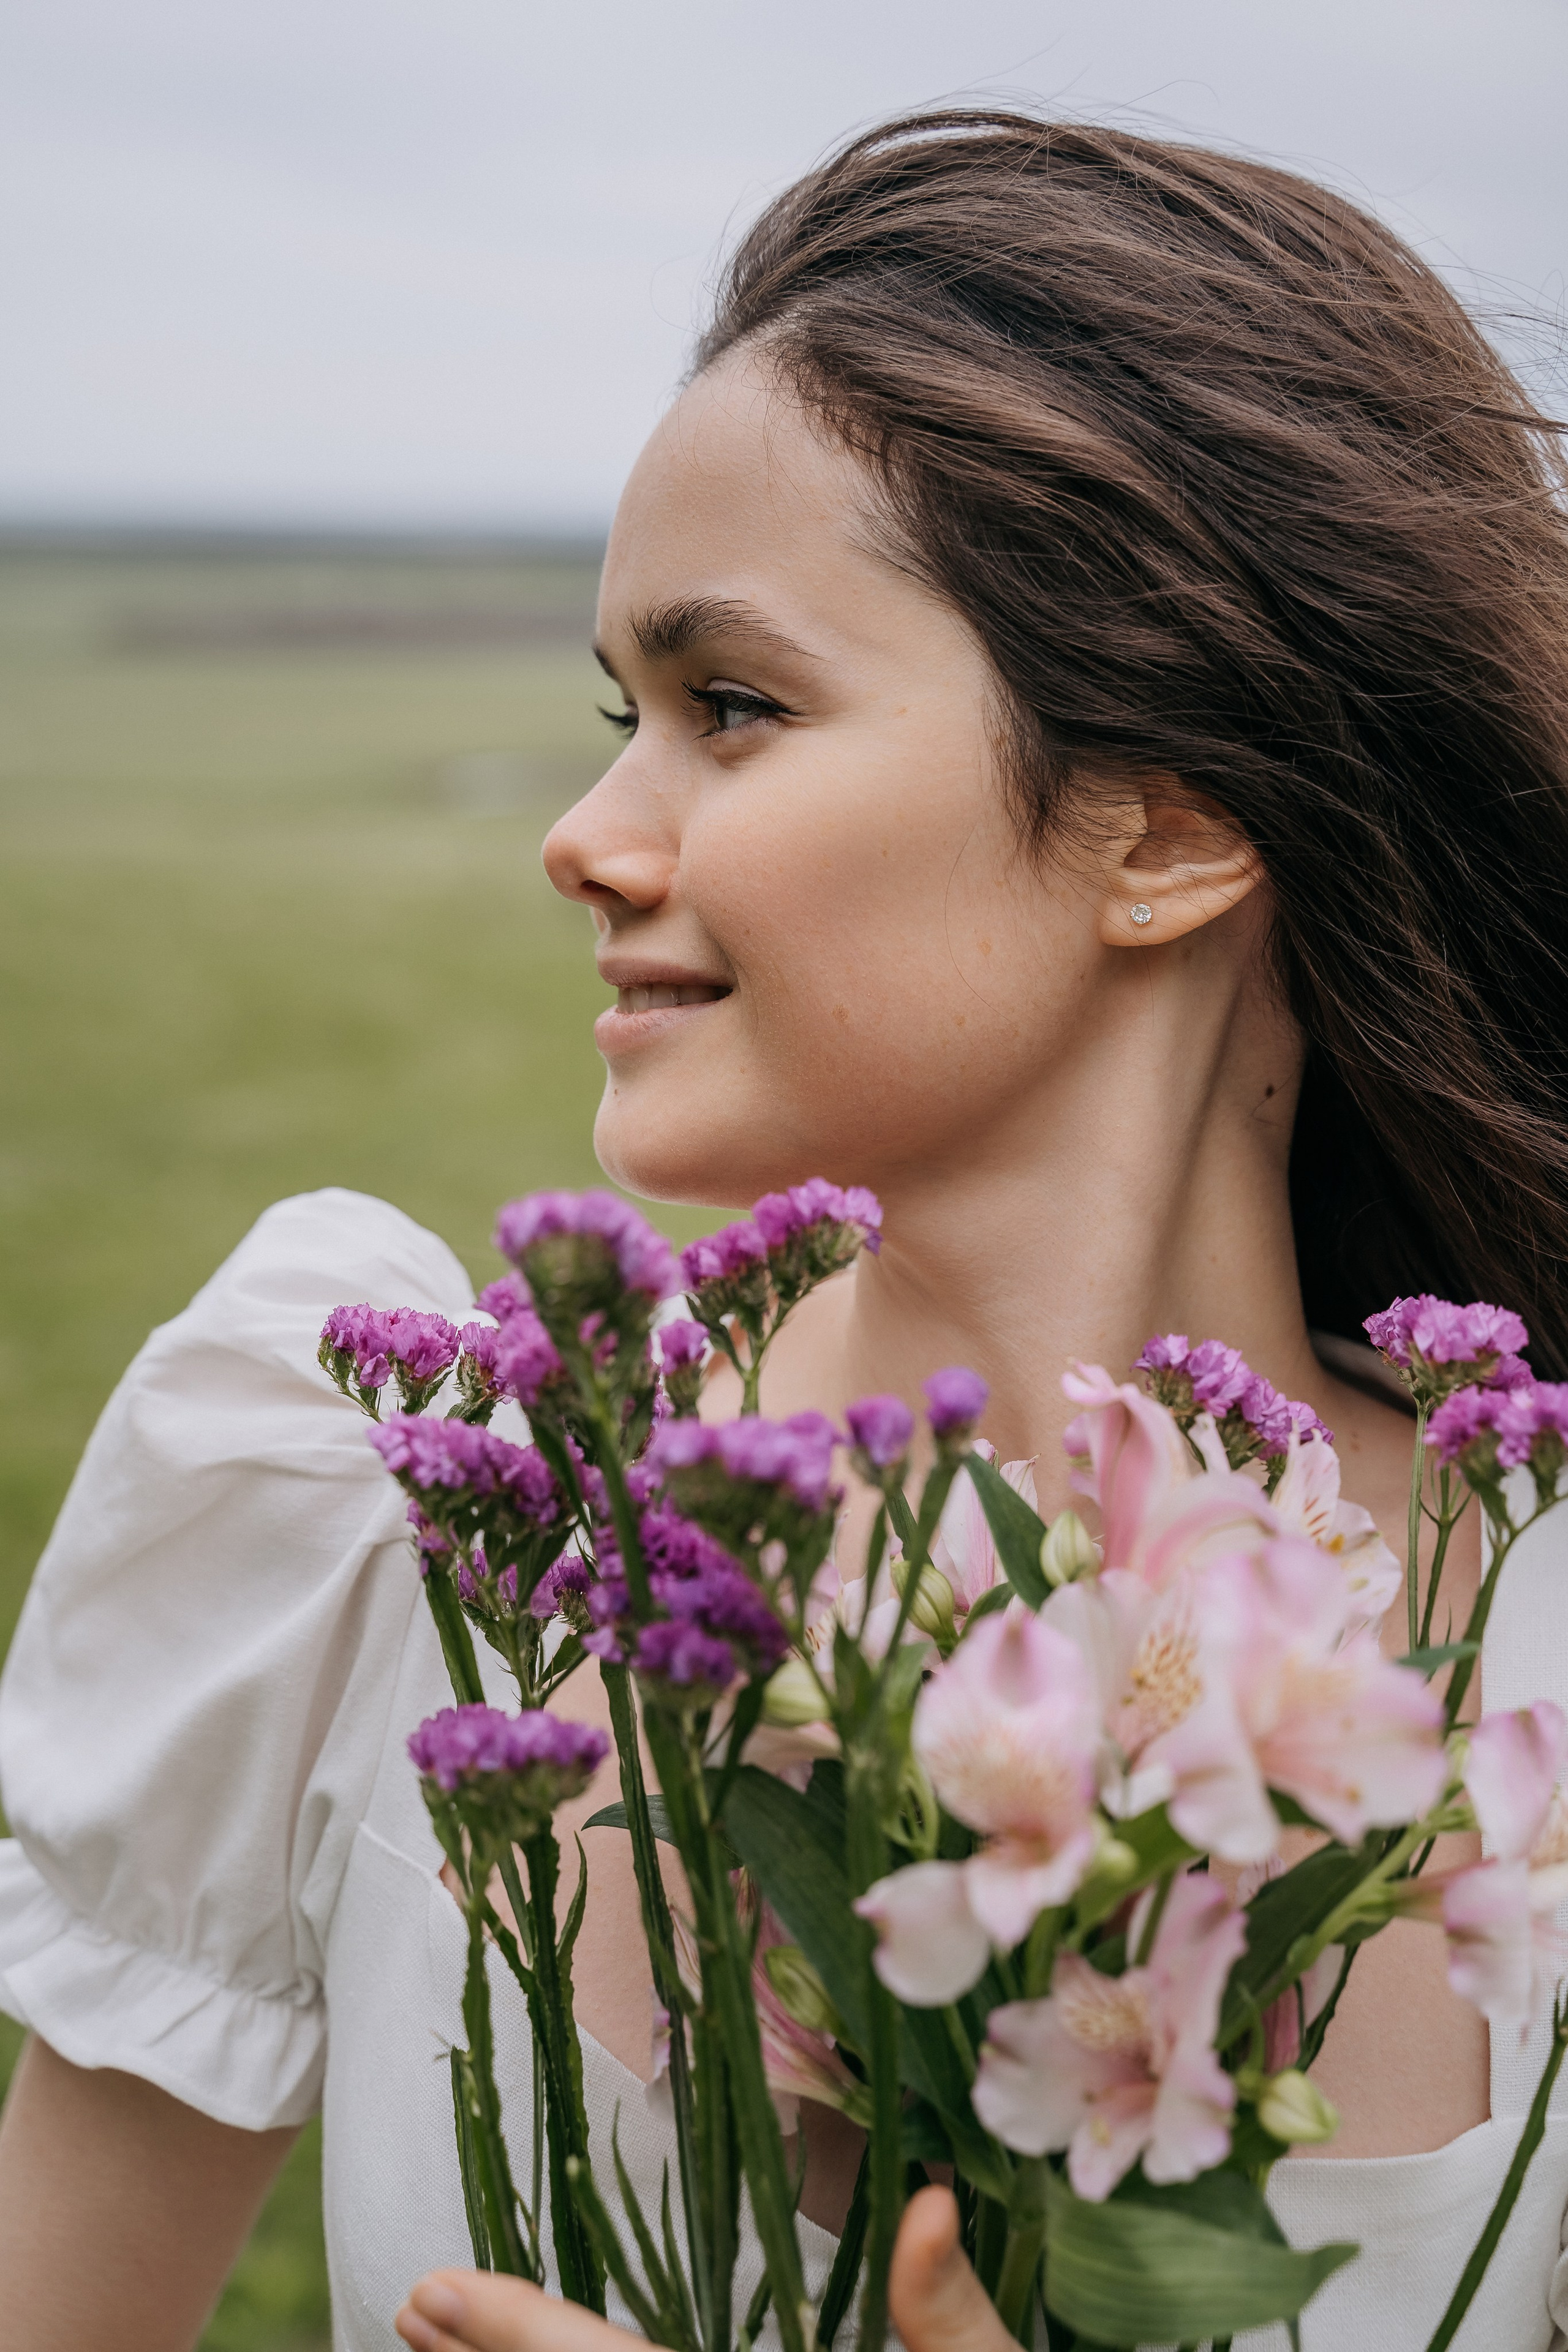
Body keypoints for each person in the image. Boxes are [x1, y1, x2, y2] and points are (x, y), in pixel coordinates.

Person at [2, 107, 1567, 2352]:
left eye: (732, 707)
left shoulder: (1539, 1666)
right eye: (622, 717)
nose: (583, 834)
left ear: (1172, 822)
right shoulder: (389, 1555)